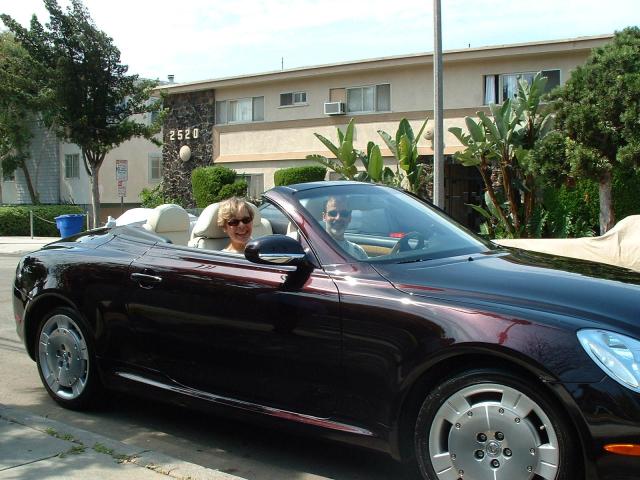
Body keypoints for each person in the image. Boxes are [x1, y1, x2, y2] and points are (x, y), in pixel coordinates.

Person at [322, 196, 368, 260]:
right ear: (324, 217)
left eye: (344, 214)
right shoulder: (311, 249)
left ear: (350, 218)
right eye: (333, 213)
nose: (338, 218)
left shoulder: (358, 252)